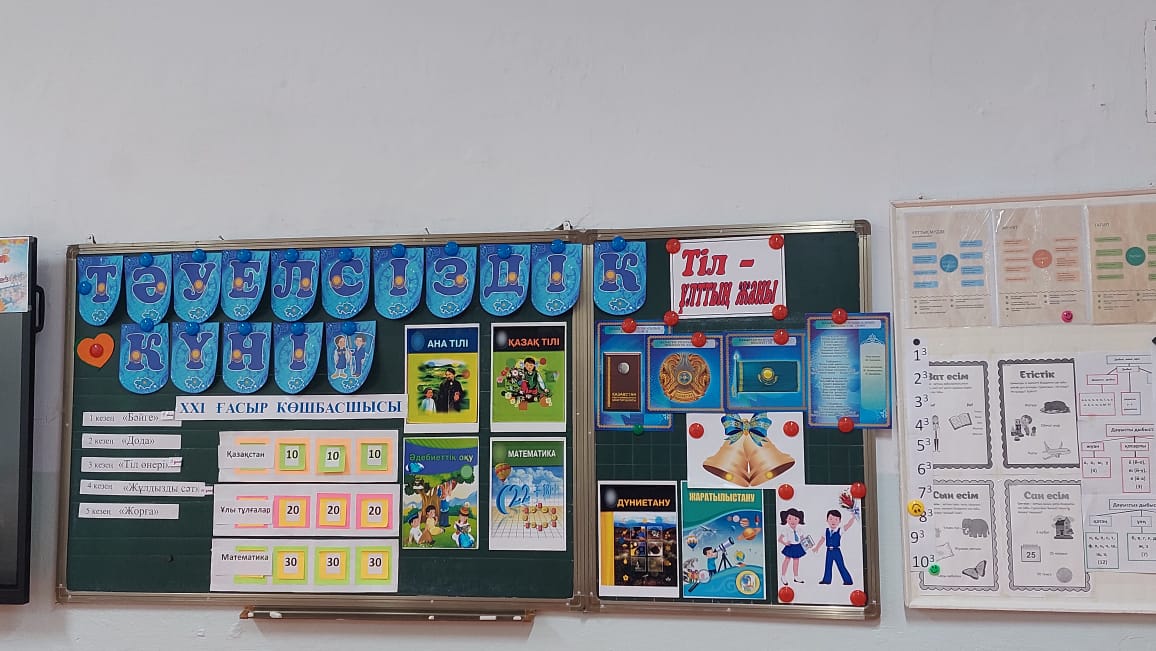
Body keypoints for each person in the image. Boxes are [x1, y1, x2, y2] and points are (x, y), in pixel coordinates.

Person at [812, 509, 856, 585]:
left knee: (841, 565)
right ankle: (826, 580)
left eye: (836, 519)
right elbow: (822, 539)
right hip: (829, 551)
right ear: (827, 520)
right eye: (831, 519)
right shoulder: (826, 531)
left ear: (839, 521)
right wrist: (817, 547)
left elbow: (848, 525)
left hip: (836, 551)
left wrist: (853, 517)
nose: (833, 521)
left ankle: (848, 580)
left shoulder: (840, 530)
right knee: (828, 565)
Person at [778, 508, 806, 585]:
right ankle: (783, 576)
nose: (792, 521)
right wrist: (785, 543)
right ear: (786, 519)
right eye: (790, 518)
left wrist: (806, 543)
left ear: (799, 520)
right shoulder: (786, 530)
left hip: (797, 546)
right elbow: (779, 539)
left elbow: (802, 538)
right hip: (790, 546)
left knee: (796, 561)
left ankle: (796, 576)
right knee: (787, 560)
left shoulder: (799, 529)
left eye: (795, 519)